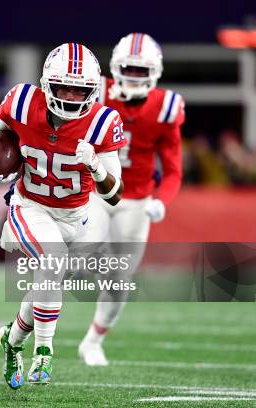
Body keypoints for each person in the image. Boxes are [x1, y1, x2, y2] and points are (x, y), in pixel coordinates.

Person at [0, 43, 126, 389]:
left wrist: (97, 167)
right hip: (30, 206)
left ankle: (11, 341)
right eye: (64, 87)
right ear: (46, 84)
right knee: (53, 261)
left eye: (80, 89)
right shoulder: (22, 101)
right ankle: (45, 350)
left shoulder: (104, 122)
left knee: (48, 280)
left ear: (93, 90)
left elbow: (114, 194)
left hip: (77, 217)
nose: (72, 96)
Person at [77, 33, 184, 366]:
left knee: (120, 281)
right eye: (129, 69)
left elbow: (173, 170)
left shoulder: (166, 109)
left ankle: (93, 341)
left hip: (136, 199)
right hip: (95, 191)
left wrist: (161, 201)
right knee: (83, 247)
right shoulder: (96, 93)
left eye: (142, 71)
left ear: (155, 72)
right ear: (115, 68)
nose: (135, 77)